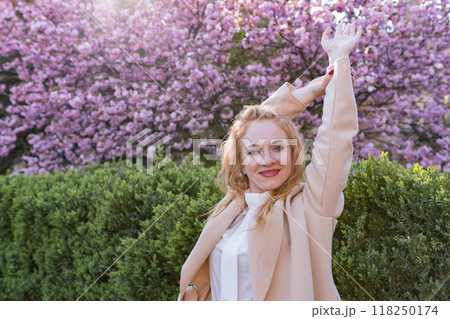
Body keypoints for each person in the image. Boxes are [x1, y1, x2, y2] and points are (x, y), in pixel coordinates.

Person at [178, 22, 362, 301]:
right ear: (239, 160)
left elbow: (336, 136)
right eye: (253, 151)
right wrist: (304, 93)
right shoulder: (231, 207)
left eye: (278, 147)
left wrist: (338, 58)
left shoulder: (310, 205)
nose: (267, 160)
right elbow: (251, 125)